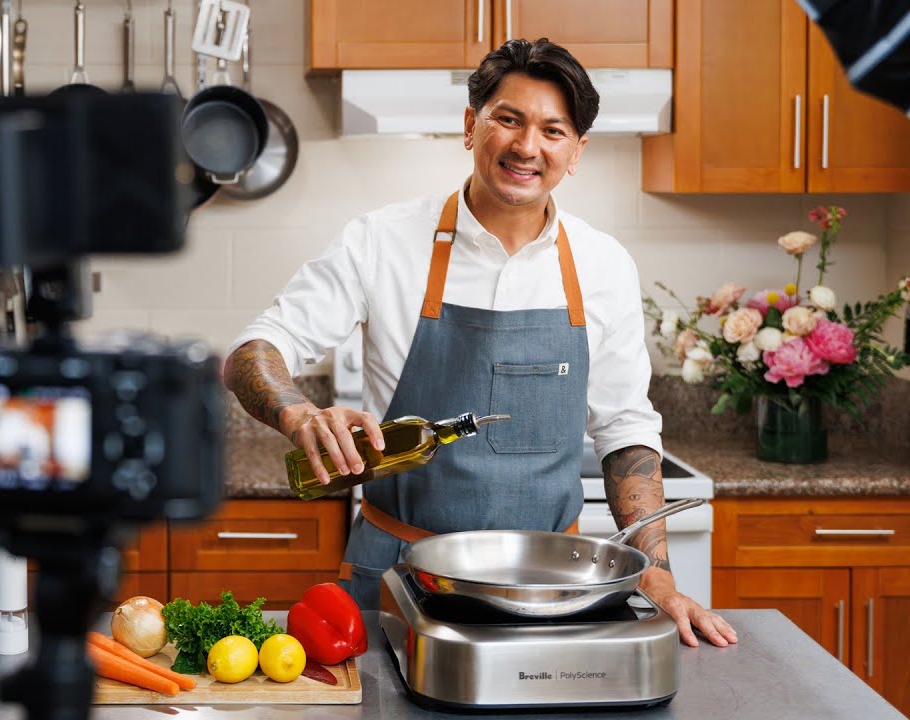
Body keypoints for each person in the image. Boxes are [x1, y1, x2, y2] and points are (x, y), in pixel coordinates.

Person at [223, 38, 737, 648]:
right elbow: (252, 351)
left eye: (553, 130)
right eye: (509, 120)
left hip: (550, 588)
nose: (527, 147)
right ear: (472, 126)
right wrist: (297, 412)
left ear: (576, 153)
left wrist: (657, 575)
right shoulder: (380, 242)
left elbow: (625, 430)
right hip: (400, 576)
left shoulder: (603, 264)